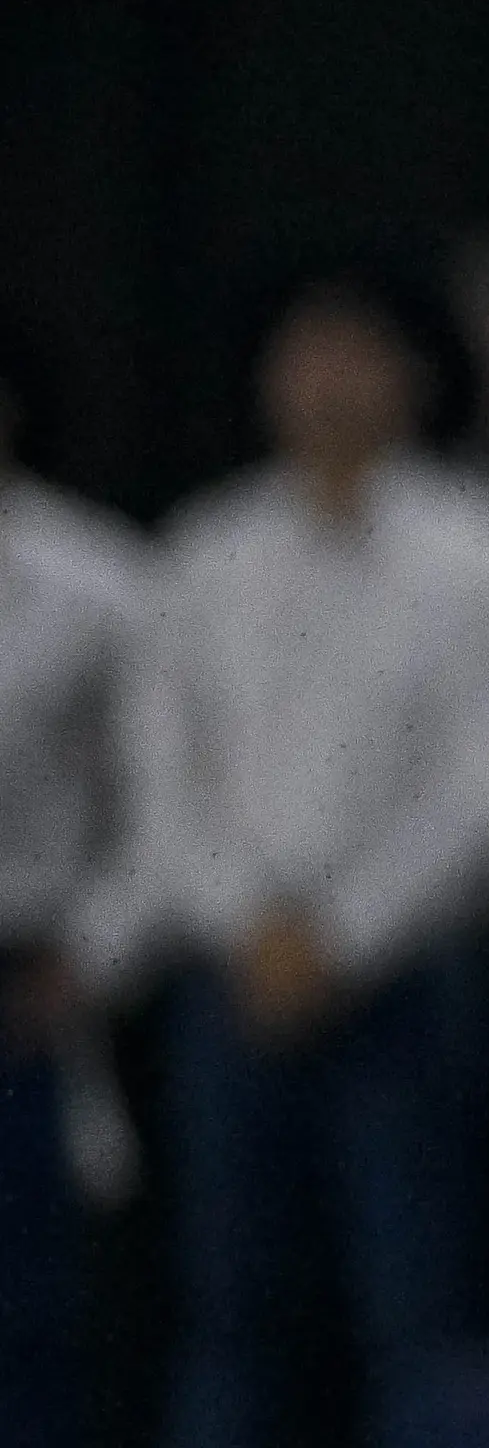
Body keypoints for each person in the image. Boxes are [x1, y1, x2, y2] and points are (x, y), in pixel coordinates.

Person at [124, 272, 489, 1448]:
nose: (327, 380)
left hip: (408, 986)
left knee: (413, 1320)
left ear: (412, 378)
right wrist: (252, 930)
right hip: (234, 985)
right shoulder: (204, 555)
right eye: (303, 351)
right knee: (228, 1323)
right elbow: (164, 789)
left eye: (357, 353)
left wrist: (343, 938)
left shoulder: (482, 554)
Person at [0, 346, 149, 1448]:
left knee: (36, 1323)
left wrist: (94, 950)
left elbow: (165, 804)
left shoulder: (103, 584)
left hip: (31, 991)